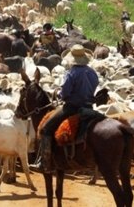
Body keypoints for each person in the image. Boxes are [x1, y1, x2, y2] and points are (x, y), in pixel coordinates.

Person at [29, 44, 99, 173]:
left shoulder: (71, 73)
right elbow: (95, 86)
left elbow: (65, 92)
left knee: (45, 129)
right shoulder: (92, 72)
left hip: (72, 108)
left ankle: (44, 162)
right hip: (89, 107)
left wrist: (60, 95)